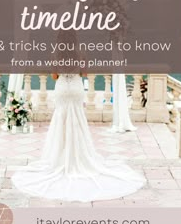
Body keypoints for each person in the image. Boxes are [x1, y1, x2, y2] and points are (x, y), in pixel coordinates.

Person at [11, 73, 146, 202]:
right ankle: (78, 155)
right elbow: (84, 74)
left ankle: (61, 156)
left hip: (62, 88)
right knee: (77, 119)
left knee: (61, 120)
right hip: (76, 88)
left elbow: (54, 76)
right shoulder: (80, 51)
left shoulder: (57, 52)